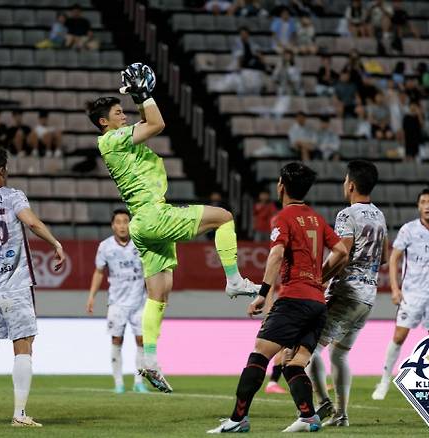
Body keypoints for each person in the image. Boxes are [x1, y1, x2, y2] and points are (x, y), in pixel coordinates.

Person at [87, 63, 260, 393]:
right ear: (103, 123)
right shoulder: (111, 140)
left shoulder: (117, 142)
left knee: (159, 295)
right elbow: (157, 123)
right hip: (155, 215)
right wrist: (143, 94)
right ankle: (234, 280)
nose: (123, 116)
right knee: (224, 217)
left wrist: (140, 99)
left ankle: (149, 361)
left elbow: (145, 121)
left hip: (143, 223)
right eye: (117, 113)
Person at [207, 162, 348, 434]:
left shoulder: (282, 218)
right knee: (293, 363)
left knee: (260, 353)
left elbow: (275, 255)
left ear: (281, 185)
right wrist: (320, 277)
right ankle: (308, 417)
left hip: (294, 298)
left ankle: (238, 420)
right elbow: (341, 251)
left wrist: (262, 294)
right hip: (318, 303)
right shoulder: (317, 219)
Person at [0, 147, 65, 427]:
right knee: (23, 344)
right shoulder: (14, 196)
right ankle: (19, 414)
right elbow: (31, 222)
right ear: (2, 169)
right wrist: (55, 243)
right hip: (15, 284)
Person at [306, 161, 387, 427]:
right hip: (369, 295)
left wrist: (319, 280)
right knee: (339, 354)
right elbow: (383, 257)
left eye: (344, 181)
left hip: (347, 292)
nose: (344, 185)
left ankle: (323, 405)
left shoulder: (347, 215)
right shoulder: (379, 215)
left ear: (351, 185)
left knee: (308, 348)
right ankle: (341, 416)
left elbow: (341, 255)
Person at [372, 188, 429, 400]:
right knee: (399, 336)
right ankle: (384, 381)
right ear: (418, 207)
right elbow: (394, 259)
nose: (426, 205)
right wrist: (394, 288)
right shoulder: (408, 230)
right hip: (412, 295)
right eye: (423, 202)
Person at [86, 208, 150, 394]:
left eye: (126, 221)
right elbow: (99, 272)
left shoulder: (140, 244)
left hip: (139, 300)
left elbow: (151, 272)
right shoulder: (105, 247)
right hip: (117, 302)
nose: (122, 226)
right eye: (119, 222)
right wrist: (92, 296)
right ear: (113, 225)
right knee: (116, 339)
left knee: (141, 341)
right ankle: (119, 382)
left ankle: (139, 381)